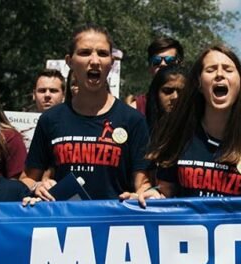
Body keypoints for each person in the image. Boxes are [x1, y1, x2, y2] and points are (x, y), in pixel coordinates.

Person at [23, 25, 151, 201]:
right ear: (69, 61)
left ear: (112, 62)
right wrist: (37, 187)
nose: (95, 61)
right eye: (85, 53)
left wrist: (140, 195)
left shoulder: (133, 120)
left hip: (114, 218)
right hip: (64, 217)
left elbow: (143, 184)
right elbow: (28, 179)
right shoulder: (50, 119)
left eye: (102, 54)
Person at [138, 45, 241, 203]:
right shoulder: (179, 133)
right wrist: (153, 195)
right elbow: (166, 192)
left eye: (228, 69)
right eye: (211, 70)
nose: (219, 74)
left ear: (240, 82)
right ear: (199, 83)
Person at [134, 36, 184, 115]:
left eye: (170, 60)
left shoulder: (193, 105)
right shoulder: (137, 108)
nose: (162, 64)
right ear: (150, 67)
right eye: (156, 61)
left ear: (180, 65)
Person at [144, 66, 186, 132]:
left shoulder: (196, 130)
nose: (175, 97)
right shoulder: (142, 127)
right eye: (167, 91)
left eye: (181, 92)